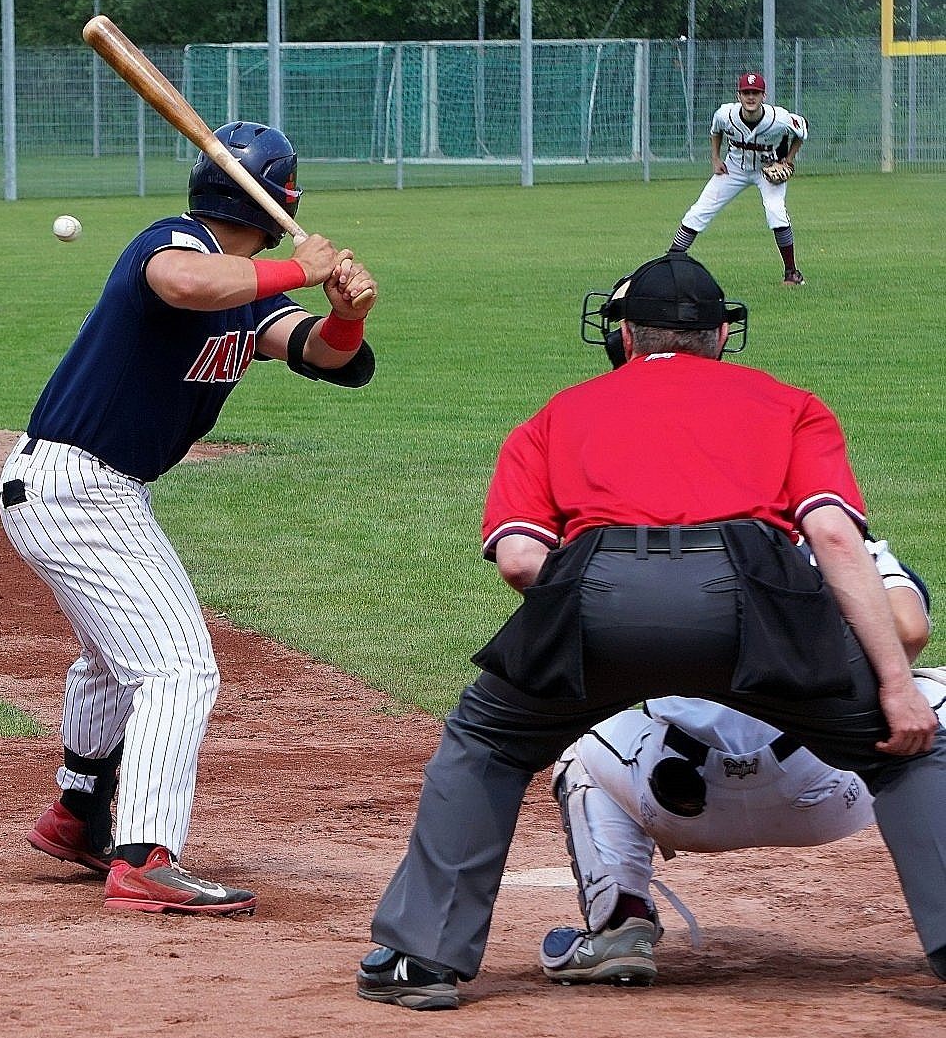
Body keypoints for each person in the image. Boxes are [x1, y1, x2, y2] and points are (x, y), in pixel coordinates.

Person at [356, 251, 946, 1011]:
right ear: (720, 335)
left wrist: (605, 601)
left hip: (597, 593)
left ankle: (421, 959)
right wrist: (895, 689)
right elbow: (833, 539)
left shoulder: (556, 413)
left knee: (488, 741)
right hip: (755, 603)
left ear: (625, 336)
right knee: (911, 746)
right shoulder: (788, 402)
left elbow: (518, 559)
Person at [0, 120, 377, 917]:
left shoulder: (245, 296)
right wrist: (293, 267)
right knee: (178, 669)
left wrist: (345, 313)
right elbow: (181, 283)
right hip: (80, 484)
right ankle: (143, 857)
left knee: (114, 659)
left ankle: (76, 814)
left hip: (87, 489)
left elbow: (324, 356)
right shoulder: (177, 241)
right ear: (281, 201)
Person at [541, 542, 944, 986]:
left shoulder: (645, 558)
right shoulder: (835, 547)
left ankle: (620, 924)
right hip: (831, 789)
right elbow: (908, 631)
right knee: (932, 699)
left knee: (586, 742)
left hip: (679, 798)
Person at [669, 72, 809, 286]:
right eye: (746, 93)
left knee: (776, 212)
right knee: (700, 210)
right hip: (734, 168)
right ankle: (670, 262)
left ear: (764, 95)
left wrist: (788, 159)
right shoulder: (726, 114)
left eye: (755, 92)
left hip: (768, 169)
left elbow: (802, 130)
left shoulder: (779, 118)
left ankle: (791, 273)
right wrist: (715, 159)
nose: (750, 97)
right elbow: (715, 131)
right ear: (739, 95)